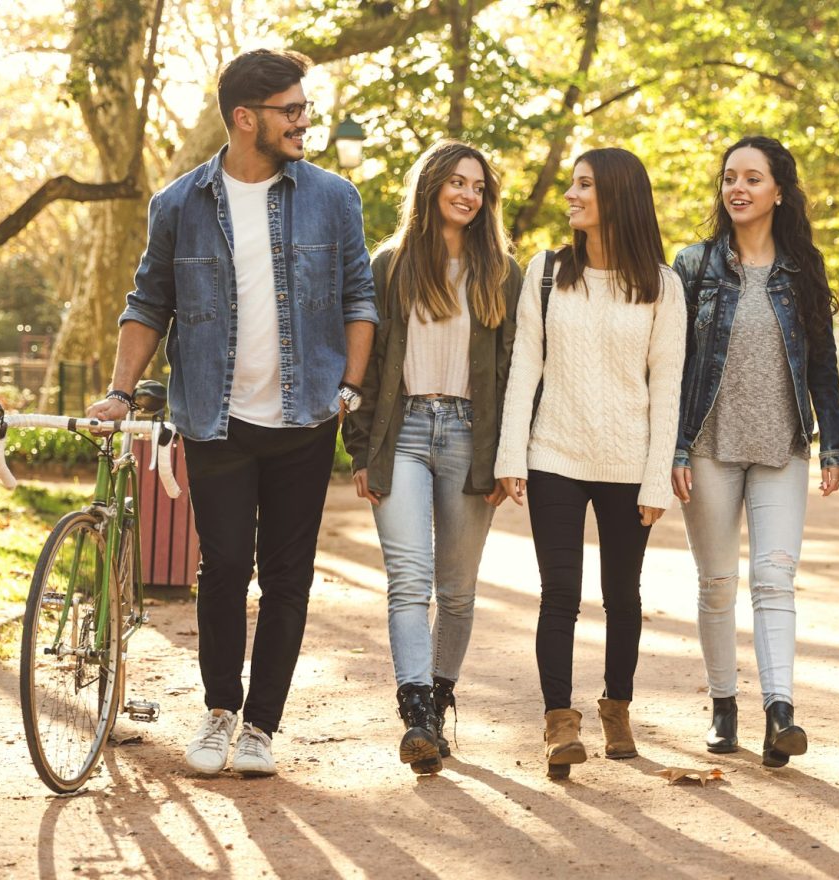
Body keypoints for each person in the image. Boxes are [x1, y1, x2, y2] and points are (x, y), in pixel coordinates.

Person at [89, 49, 377, 777]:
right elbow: (148, 304)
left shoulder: (333, 198)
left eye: (304, 107)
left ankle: (261, 729)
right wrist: (121, 391)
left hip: (304, 421)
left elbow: (358, 300)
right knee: (222, 570)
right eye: (292, 110)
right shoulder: (179, 204)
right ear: (246, 119)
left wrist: (347, 388)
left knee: (288, 578)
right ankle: (220, 710)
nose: (304, 120)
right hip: (215, 421)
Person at [494, 148, 686, 779]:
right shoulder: (547, 272)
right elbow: (526, 366)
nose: (571, 195)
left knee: (622, 596)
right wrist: (511, 453)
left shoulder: (662, 286)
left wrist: (658, 475)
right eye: (571, 184)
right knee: (559, 594)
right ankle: (558, 724)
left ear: (618, 198)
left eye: (583, 186)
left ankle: (618, 708)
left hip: (631, 463)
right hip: (555, 454)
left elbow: (668, 387)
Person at [670, 136, 839, 768]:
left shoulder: (804, 268)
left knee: (775, 581)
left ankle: (780, 710)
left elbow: (822, 360)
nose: (737, 188)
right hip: (709, 446)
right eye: (729, 179)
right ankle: (724, 704)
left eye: (752, 178)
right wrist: (674, 449)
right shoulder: (692, 266)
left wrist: (835, 440)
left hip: (783, 445)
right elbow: (671, 366)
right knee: (718, 584)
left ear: (779, 190)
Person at [344, 141, 521, 776]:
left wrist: (509, 455)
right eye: (456, 182)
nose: (468, 194)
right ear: (431, 187)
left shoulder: (503, 271)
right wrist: (361, 447)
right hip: (405, 434)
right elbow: (364, 363)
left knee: (458, 591)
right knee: (408, 581)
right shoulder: (389, 265)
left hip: (473, 437)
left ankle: (441, 694)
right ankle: (416, 712)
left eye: (478, 186)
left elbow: (514, 370)